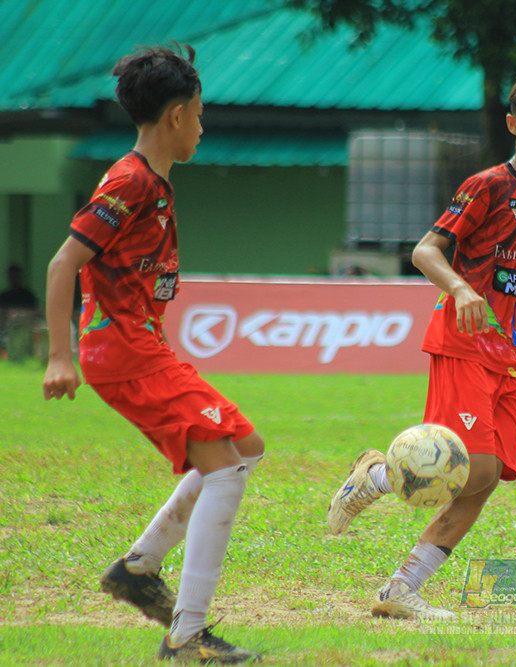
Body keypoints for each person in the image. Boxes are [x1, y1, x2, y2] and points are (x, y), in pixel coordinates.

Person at [326, 68, 516, 619]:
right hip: (464, 344)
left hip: (512, 358)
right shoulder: (486, 186)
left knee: (484, 481)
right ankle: (377, 476)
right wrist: (458, 287)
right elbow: (426, 251)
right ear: (512, 124)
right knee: (470, 469)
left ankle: (400, 591)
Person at [42, 44, 263, 662]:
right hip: (123, 351)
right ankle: (188, 635)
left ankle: (139, 569)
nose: (202, 124)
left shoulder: (154, 184)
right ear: (174, 116)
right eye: (198, 112)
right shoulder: (131, 181)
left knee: (244, 446)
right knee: (227, 467)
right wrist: (61, 355)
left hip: (141, 346)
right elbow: (65, 263)